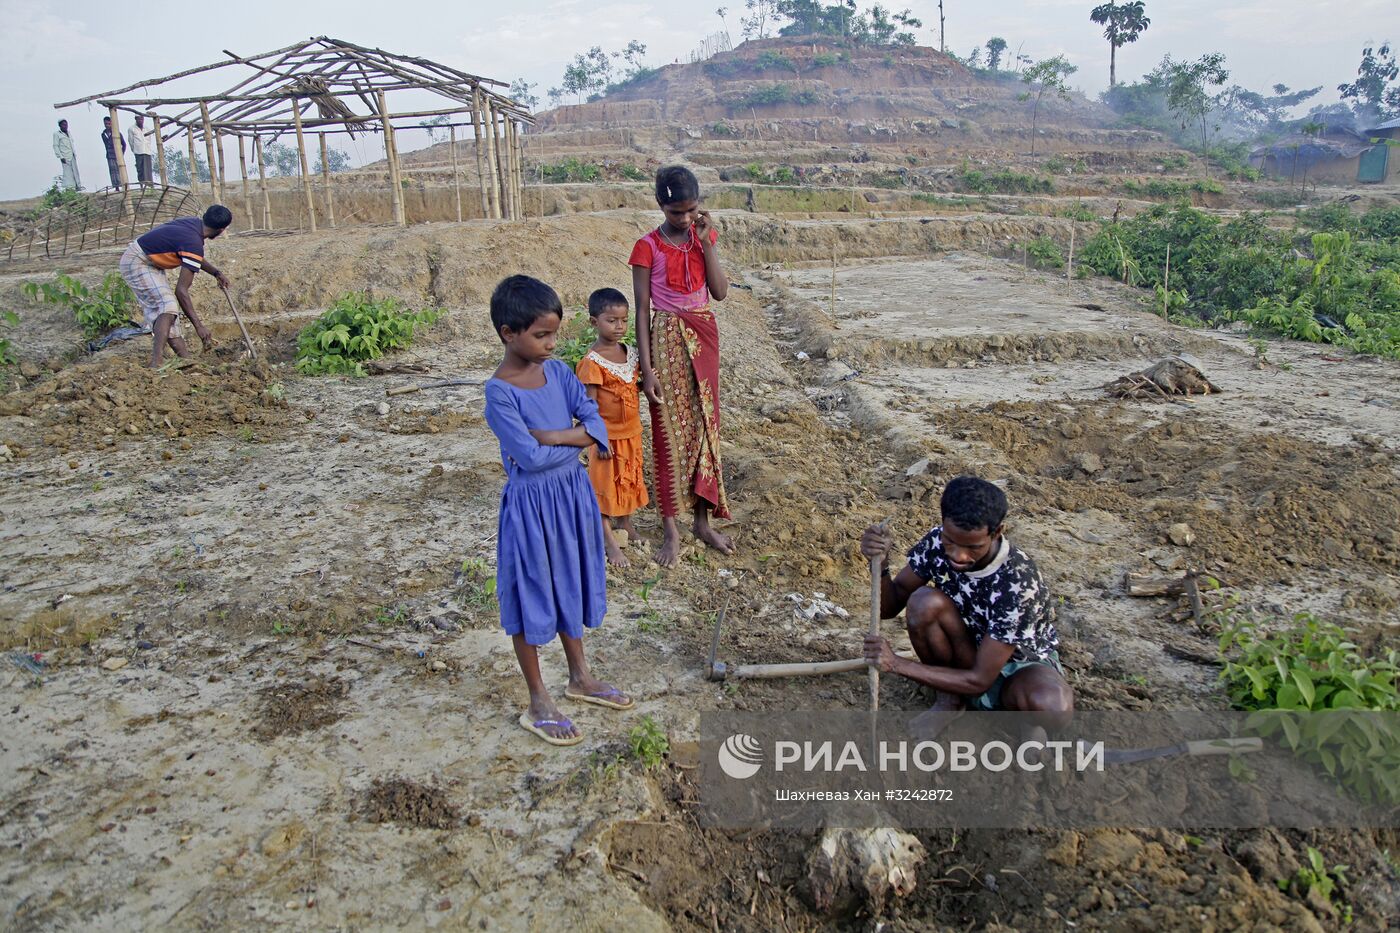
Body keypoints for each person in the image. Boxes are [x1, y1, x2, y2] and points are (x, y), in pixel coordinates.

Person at [484, 274, 635, 746]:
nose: (552, 344)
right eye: (541, 335)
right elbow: (527, 458)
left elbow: (595, 424)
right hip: (532, 506)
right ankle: (537, 699)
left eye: (554, 334)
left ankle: (580, 677)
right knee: (531, 590)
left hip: (572, 495)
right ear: (509, 333)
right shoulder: (500, 392)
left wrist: (556, 436)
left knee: (572, 576)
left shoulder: (561, 373)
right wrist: (576, 442)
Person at [861, 475, 1074, 730]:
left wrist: (895, 663)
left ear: (996, 533)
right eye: (950, 541)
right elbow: (889, 607)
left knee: (1051, 708)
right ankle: (950, 699)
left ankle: (1015, 720)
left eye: (973, 547)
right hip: (963, 652)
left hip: (1014, 667)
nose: (958, 555)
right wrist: (881, 565)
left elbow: (980, 680)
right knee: (923, 602)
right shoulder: (936, 544)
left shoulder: (1018, 583)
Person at [630, 165, 733, 567]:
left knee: (706, 426)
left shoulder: (702, 238)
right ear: (660, 205)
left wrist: (706, 243)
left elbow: (720, 292)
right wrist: (648, 368)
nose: (686, 219)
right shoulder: (646, 247)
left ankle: (702, 521)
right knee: (668, 431)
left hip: (704, 335)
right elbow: (641, 310)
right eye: (677, 213)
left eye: (692, 210)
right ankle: (671, 527)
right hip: (667, 339)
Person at [575, 287, 648, 569]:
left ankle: (625, 524)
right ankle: (607, 538)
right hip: (607, 438)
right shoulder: (592, 363)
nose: (619, 327)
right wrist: (599, 439)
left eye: (624, 320)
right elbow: (589, 409)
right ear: (594, 322)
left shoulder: (629, 354)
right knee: (603, 486)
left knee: (627, 479)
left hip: (631, 432)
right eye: (612, 321)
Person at [118, 205, 232, 368]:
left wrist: (216, 273)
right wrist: (199, 327)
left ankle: (186, 362)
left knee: (169, 311)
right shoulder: (193, 242)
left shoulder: (194, 225)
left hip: (148, 261)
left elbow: (193, 257)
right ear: (221, 230)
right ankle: (156, 362)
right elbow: (181, 291)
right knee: (167, 305)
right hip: (138, 261)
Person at [52, 120, 81, 191]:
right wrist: (60, 157)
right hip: (65, 157)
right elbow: (55, 146)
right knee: (68, 174)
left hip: (72, 156)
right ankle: (69, 189)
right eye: (64, 125)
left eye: (66, 125)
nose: (65, 126)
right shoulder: (57, 134)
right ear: (60, 126)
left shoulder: (69, 133)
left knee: (75, 172)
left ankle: (78, 187)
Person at [128, 115, 156, 188]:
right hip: (138, 152)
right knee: (140, 169)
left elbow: (149, 140)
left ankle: (150, 186)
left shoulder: (147, 129)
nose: (141, 120)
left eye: (142, 119)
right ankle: (141, 186)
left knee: (148, 170)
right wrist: (134, 150)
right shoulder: (132, 129)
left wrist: (148, 147)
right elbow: (131, 141)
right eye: (139, 119)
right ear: (136, 119)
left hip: (147, 151)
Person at [102, 116, 127, 190]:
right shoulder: (103, 134)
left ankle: (123, 186)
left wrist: (121, 154)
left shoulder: (117, 133)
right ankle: (116, 188)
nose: (107, 125)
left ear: (111, 123)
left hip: (117, 155)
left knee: (119, 171)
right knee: (112, 172)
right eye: (106, 124)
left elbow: (124, 144)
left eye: (109, 123)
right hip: (109, 155)